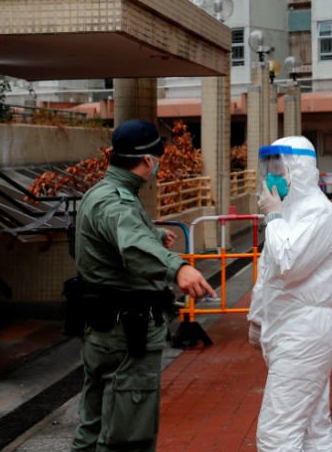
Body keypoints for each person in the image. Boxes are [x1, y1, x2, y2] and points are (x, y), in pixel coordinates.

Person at [71, 119, 215, 452]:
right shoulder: (116, 203)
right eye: (157, 156)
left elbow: (117, 240)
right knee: (126, 432)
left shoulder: (101, 192)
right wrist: (177, 268)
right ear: (148, 160)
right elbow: (131, 243)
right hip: (125, 329)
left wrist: (153, 235)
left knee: (94, 424)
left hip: (103, 326)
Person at [247, 136, 332, 451]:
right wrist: (257, 317)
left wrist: (273, 218)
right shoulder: (290, 210)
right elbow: (269, 273)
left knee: (278, 433)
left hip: (304, 330)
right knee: (312, 428)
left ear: (301, 170)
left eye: (281, 168)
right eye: (271, 167)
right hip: (286, 326)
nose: (273, 176)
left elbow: (289, 264)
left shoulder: (319, 213)